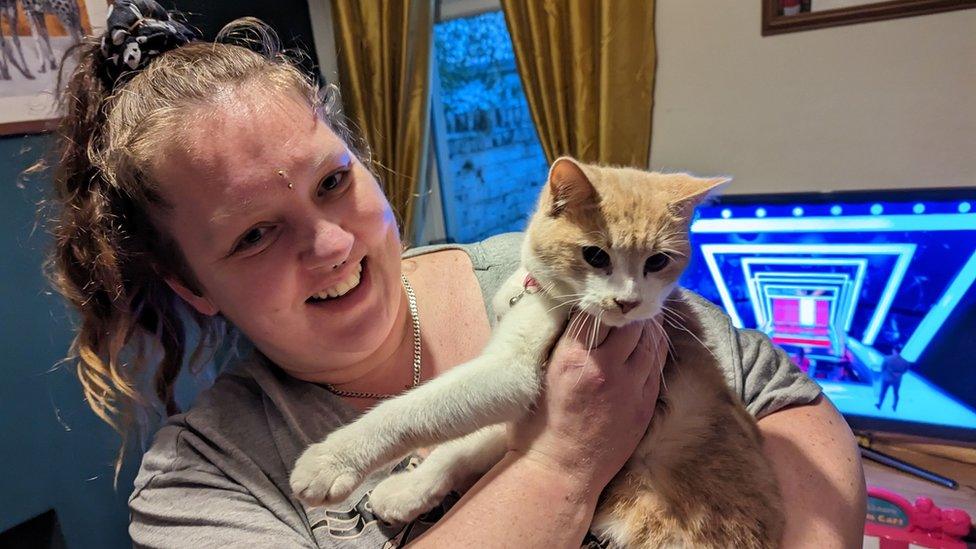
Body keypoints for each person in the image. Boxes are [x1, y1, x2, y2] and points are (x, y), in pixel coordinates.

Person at [44, 3, 865, 547]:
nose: (330, 244)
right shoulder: (201, 481)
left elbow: (783, 397)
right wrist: (562, 464)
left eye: (333, 182)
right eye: (256, 232)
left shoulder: (548, 272)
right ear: (190, 281)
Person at [876, 345, 912, 412]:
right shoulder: (905, 362)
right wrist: (899, 374)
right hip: (897, 380)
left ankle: (879, 405)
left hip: (886, 378)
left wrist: (883, 374)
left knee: (883, 392)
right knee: (896, 393)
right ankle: (894, 406)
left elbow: (883, 367)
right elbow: (906, 370)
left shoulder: (887, 358)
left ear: (894, 351)